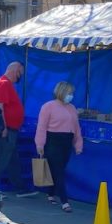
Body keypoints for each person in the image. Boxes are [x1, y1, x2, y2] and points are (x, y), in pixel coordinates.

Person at [34, 81, 83, 212]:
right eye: (69, 93)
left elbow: (76, 128)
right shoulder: (48, 107)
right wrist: (40, 144)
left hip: (67, 142)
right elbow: (41, 127)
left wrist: (78, 144)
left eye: (72, 93)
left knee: (58, 170)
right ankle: (64, 201)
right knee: (59, 170)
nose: (71, 95)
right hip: (53, 141)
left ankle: (51, 193)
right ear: (62, 92)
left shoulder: (72, 108)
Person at [0, 61, 29, 193]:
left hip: (11, 128)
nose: (20, 77)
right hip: (8, 129)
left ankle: (20, 187)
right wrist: (4, 127)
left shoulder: (6, 83)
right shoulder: (4, 84)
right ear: (15, 71)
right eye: (20, 73)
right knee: (3, 159)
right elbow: (0, 107)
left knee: (12, 159)